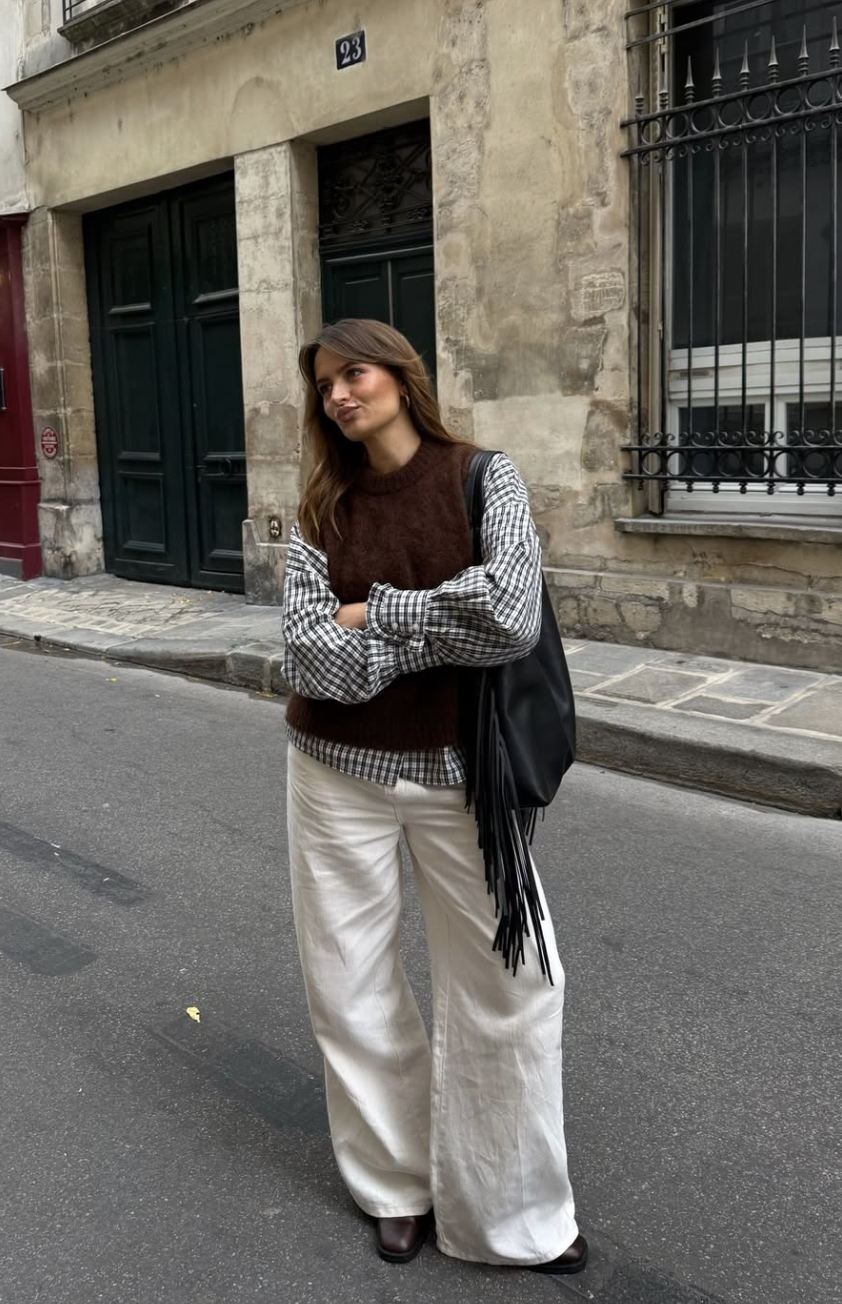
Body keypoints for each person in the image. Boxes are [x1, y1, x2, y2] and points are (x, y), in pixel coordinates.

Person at [281, 317, 587, 1274]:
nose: (339, 395)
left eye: (355, 373)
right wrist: (431, 625)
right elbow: (306, 655)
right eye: (326, 384)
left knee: (517, 984)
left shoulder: (481, 475)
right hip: (334, 772)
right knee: (351, 983)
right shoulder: (316, 508)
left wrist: (374, 612)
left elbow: (507, 616)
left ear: (401, 377)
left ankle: (517, 1213)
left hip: (466, 780)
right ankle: (394, 1183)